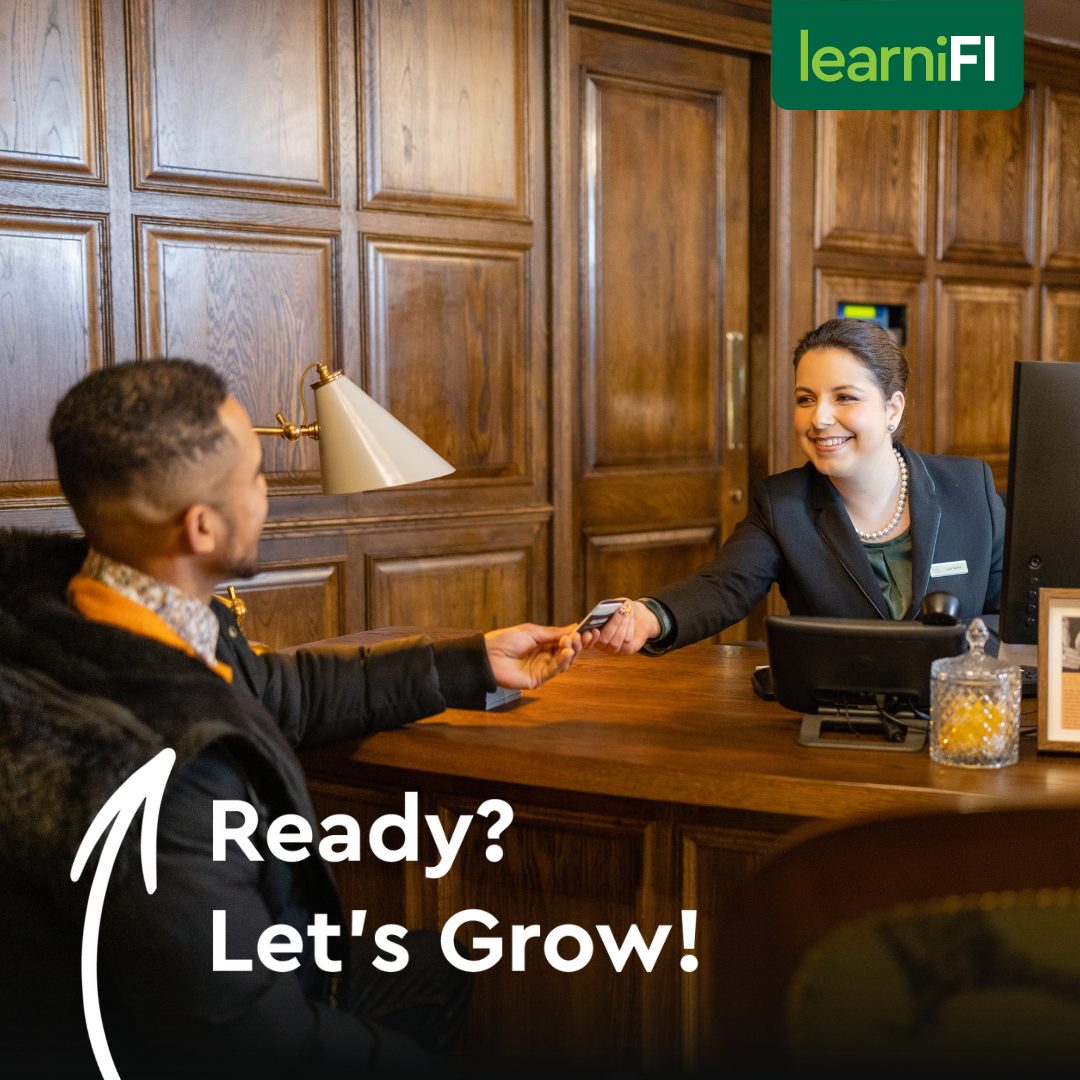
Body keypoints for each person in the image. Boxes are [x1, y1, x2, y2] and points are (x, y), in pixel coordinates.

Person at [0, 359, 583, 1078]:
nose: (268, 488)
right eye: (255, 474)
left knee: (437, 966)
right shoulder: (167, 778)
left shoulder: (70, 615)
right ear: (203, 527)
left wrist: (471, 663)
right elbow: (252, 1045)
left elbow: (273, 689)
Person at [589, 317, 1004, 656]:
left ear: (892, 408)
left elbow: (1013, 615)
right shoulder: (781, 504)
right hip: (835, 726)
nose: (819, 418)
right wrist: (651, 616)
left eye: (844, 397)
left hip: (960, 717)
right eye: (806, 399)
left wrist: (956, 652)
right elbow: (724, 587)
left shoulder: (970, 488)